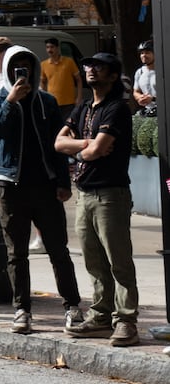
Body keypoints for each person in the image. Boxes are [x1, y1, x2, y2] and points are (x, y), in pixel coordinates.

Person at [0, 45, 83, 335]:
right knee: (16, 253)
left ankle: (72, 306)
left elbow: (57, 146)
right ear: (7, 71)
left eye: (25, 68)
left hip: (45, 187)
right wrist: (11, 102)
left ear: (35, 70)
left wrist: (63, 183)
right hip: (10, 185)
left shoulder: (47, 102)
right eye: (15, 68)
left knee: (58, 250)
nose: (19, 73)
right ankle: (22, 310)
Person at [56, 52, 139, 346]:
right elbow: (58, 142)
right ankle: (101, 317)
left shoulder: (116, 109)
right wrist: (84, 146)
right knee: (94, 261)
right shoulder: (83, 109)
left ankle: (126, 321)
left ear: (113, 75)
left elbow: (94, 151)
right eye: (89, 65)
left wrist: (80, 150)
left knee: (118, 261)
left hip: (110, 195)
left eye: (99, 66)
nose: (91, 70)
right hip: (85, 194)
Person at [40, 37, 83, 107]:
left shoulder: (69, 62)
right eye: (47, 47)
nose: (49, 50)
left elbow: (79, 80)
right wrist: (44, 100)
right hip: (52, 103)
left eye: (52, 47)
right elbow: (42, 83)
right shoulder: (43, 65)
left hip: (69, 103)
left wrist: (79, 97)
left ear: (57, 48)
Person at [132, 40, 156, 115]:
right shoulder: (139, 72)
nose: (144, 55)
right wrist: (140, 97)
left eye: (147, 53)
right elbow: (136, 91)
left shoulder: (163, 70)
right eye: (142, 53)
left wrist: (153, 98)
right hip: (148, 110)